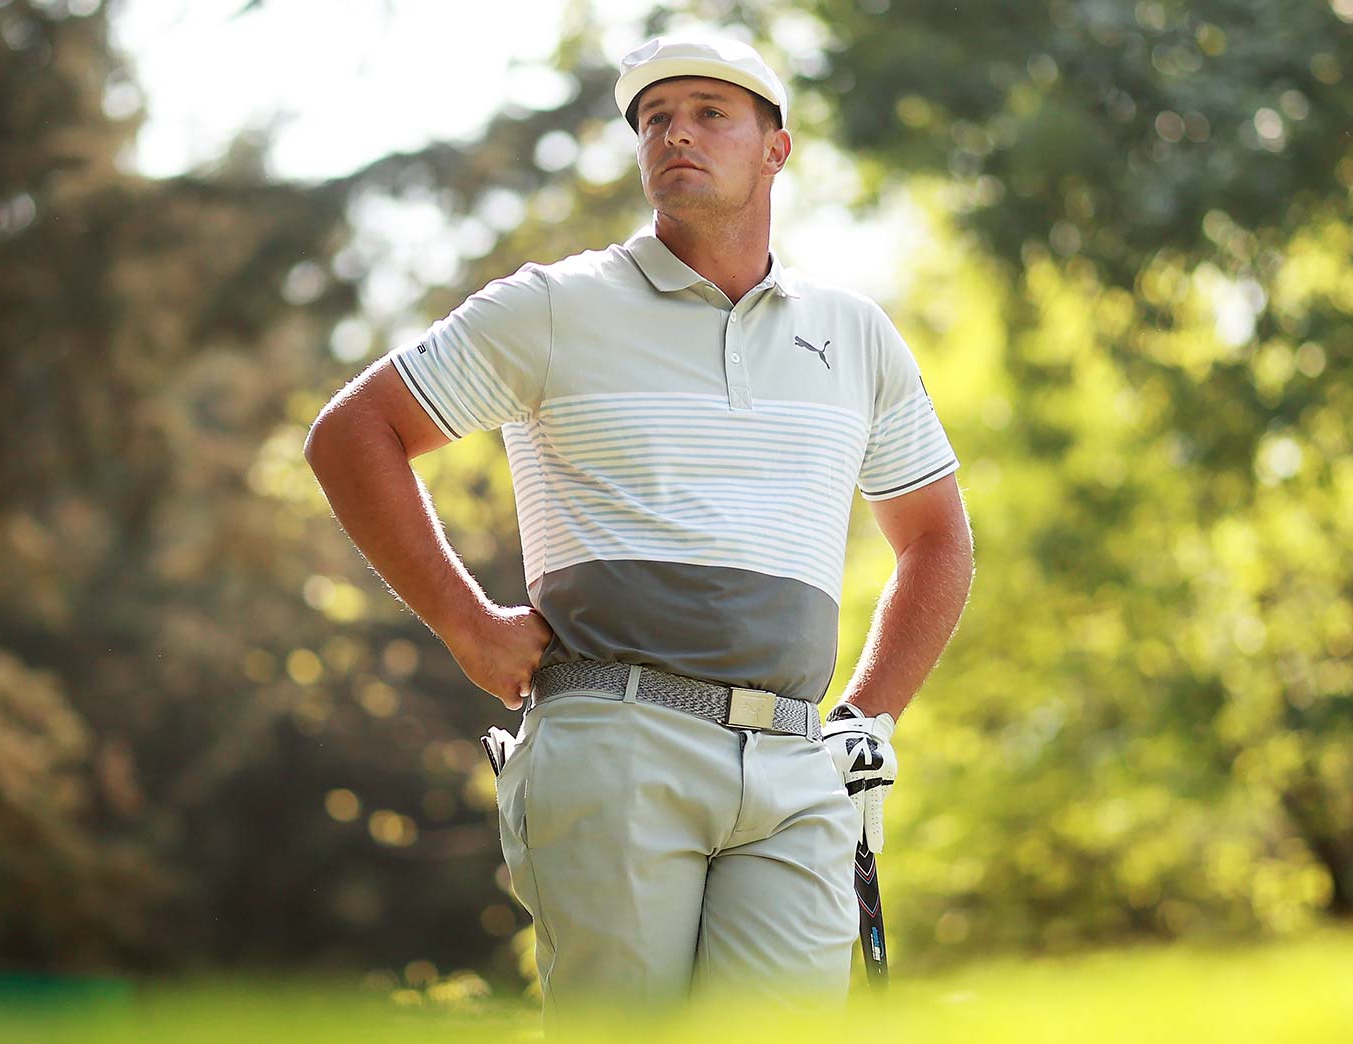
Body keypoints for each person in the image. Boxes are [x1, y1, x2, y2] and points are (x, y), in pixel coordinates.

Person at [303, 32, 973, 1023]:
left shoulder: (854, 335)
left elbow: (935, 538)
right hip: (613, 740)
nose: (675, 134)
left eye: (709, 113)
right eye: (655, 118)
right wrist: (466, 623)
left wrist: (865, 717)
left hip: (794, 762)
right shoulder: (553, 306)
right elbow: (352, 434)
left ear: (774, 150)